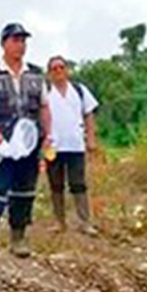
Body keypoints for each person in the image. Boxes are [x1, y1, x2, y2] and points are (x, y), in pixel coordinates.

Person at [0, 23, 52, 259]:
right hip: (2, 141)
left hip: (30, 142)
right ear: (4, 43)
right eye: (15, 40)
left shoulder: (35, 74)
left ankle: (18, 236)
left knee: (24, 190)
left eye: (23, 40)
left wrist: (47, 136)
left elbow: (45, 108)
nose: (20, 45)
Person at [44, 55, 99, 235]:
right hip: (53, 146)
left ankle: (85, 222)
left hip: (75, 144)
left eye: (61, 67)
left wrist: (91, 138)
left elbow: (89, 114)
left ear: (67, 69)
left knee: (78, 184)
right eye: (54, 69)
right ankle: (59, 222)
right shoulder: (45, 93)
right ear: (49, 73)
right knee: (56, 185)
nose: (58, 71)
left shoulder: (79, 90)